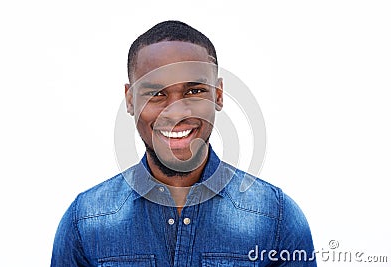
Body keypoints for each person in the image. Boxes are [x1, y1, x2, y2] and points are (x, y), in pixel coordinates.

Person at [51, 20, 317, 266]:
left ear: (219, 95)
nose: (176, 113)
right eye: (156, 94)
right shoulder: (85, 222)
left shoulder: (277, 218)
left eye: (194, 91)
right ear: (130, 100)